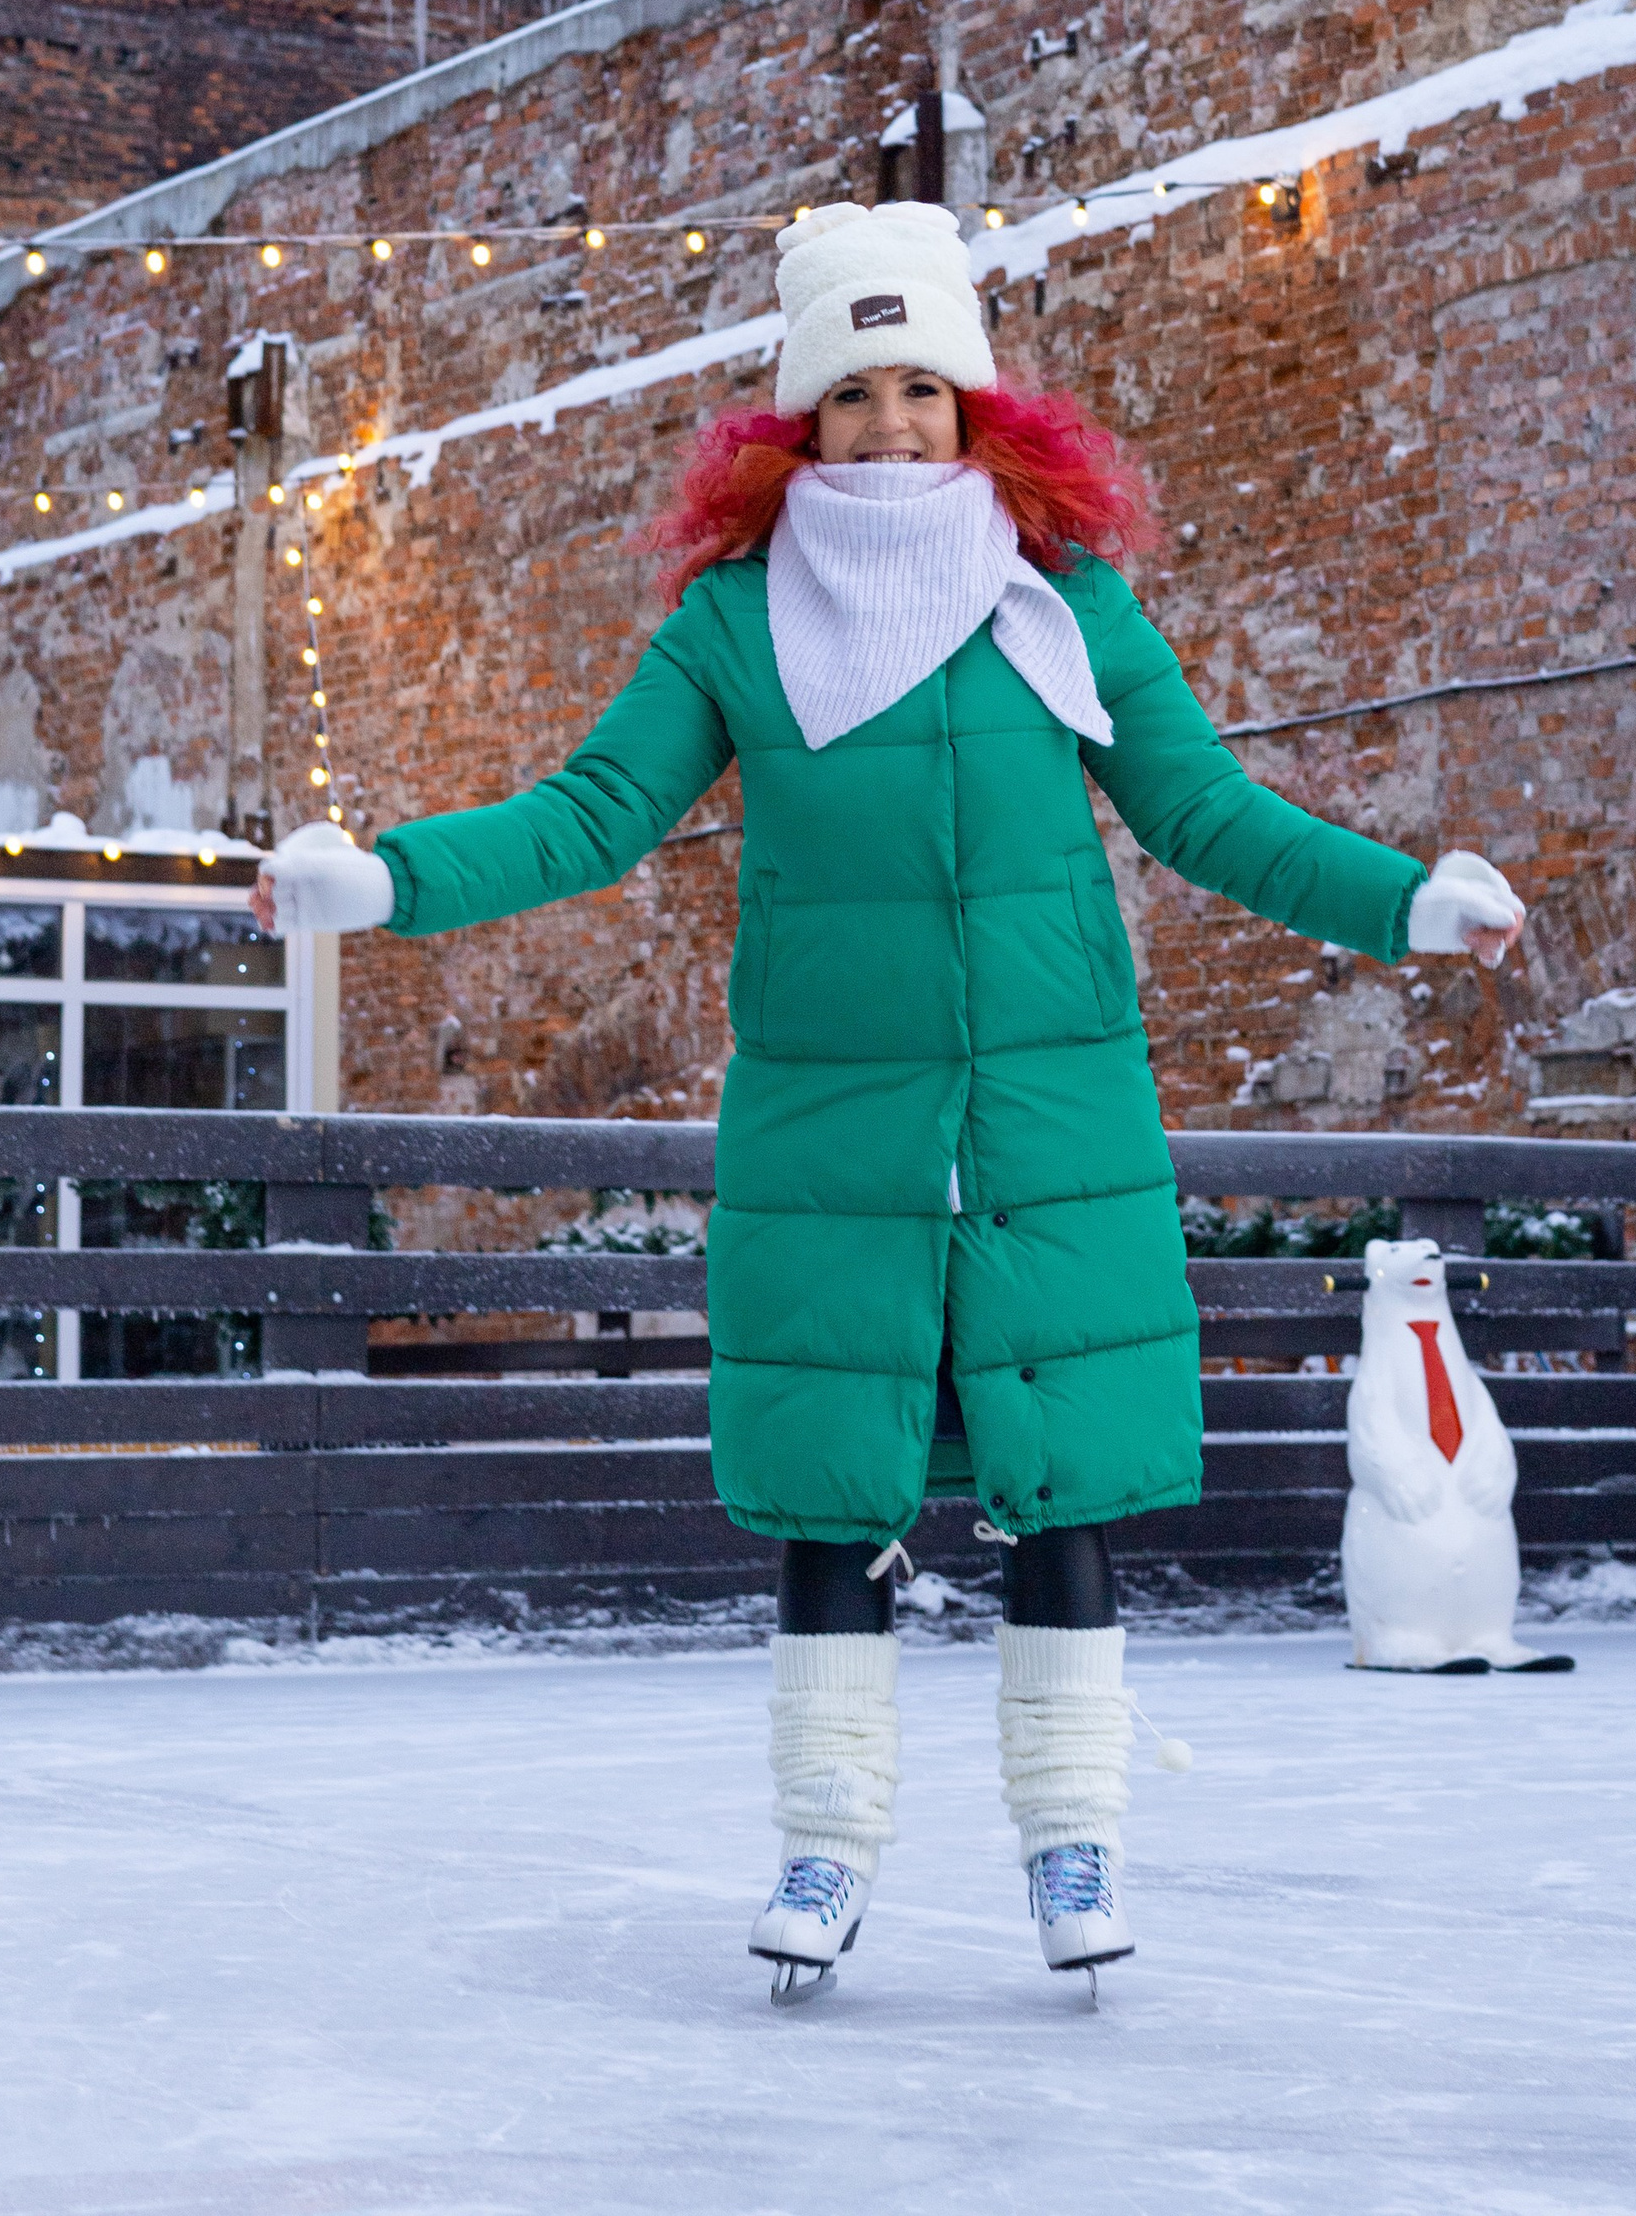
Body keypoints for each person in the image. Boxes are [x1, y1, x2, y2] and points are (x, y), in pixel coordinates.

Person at [257, 199, 1524, 1996]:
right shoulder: (732, 630)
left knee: (1058, 1487)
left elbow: (1210, 816)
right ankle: (827, 1849)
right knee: (835, 1497)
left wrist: (1403, 897)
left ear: (979, 405)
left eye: (924, 386)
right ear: (799, 422)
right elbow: (585, 815)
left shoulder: (1064, 601)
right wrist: (376, 881)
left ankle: (1073, 1845)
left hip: (1046, 1126)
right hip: (833, 1130)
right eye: (855, 394)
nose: (894, 424)